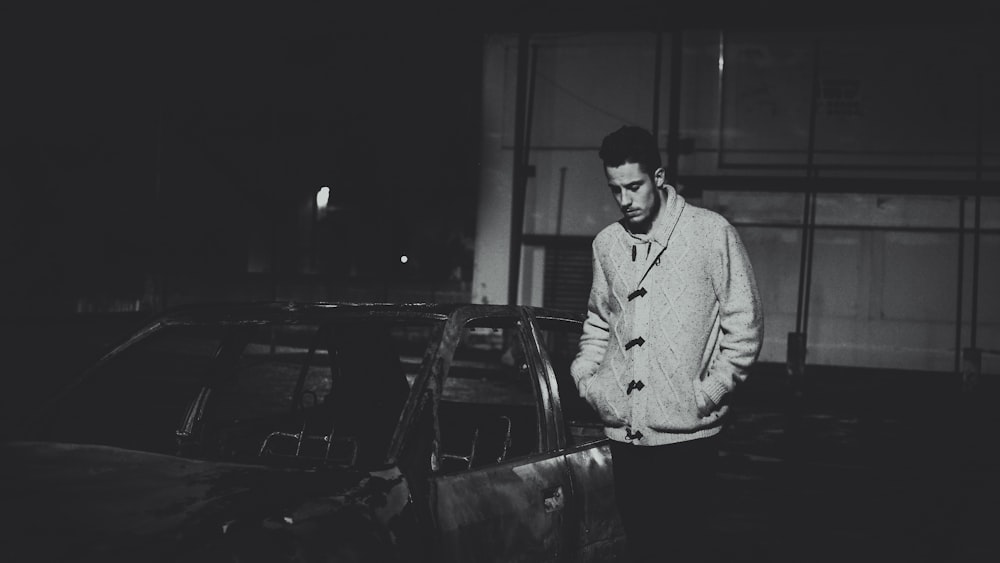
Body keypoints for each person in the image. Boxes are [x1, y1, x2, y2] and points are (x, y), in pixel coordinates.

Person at [570, 125, 763, 562]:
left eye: (634, 186)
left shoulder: (711, 234)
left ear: (658, 177)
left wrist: (709, 391)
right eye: (615, 189)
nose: (624, 200)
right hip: (624, 433)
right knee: (640, 548)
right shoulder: (607, 244)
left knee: (682, 549)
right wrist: (588, 379)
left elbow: (745, 324)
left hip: (688, 436)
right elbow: (599, 322)